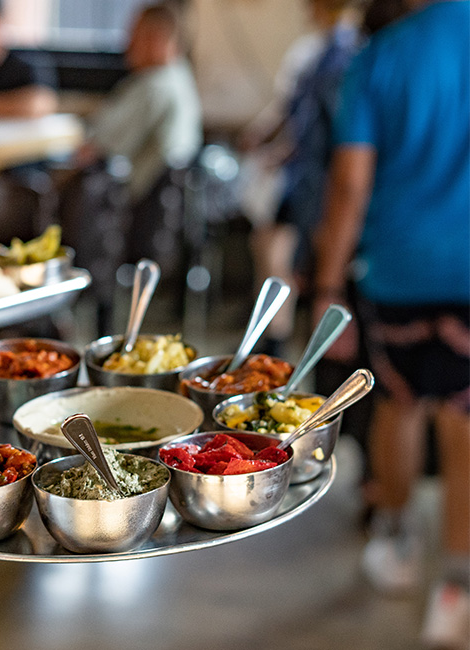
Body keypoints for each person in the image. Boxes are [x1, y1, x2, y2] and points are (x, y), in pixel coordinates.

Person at [312, 0, 469, 645]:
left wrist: (327, 284)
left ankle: (396, 541)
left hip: (398, 271)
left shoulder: (379, 58)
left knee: (399, 404)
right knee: (466, 420)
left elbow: (350, 185)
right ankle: (457, 585)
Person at [239, 0, 362, 357]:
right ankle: (274, 342)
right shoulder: (316, 53)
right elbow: (297, 117)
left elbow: (336, 136)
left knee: (313, 267)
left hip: (324, 182)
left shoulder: (347, 55)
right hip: (302, 177)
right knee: (273, 252)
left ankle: (296, 349)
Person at [77, 3, 202, 206]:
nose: (128, 43)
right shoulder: (181, 76)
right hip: (165, 204)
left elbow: (98, 146)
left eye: (135, 34)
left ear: (157, 39)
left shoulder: (154, 86)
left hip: (135, 203)